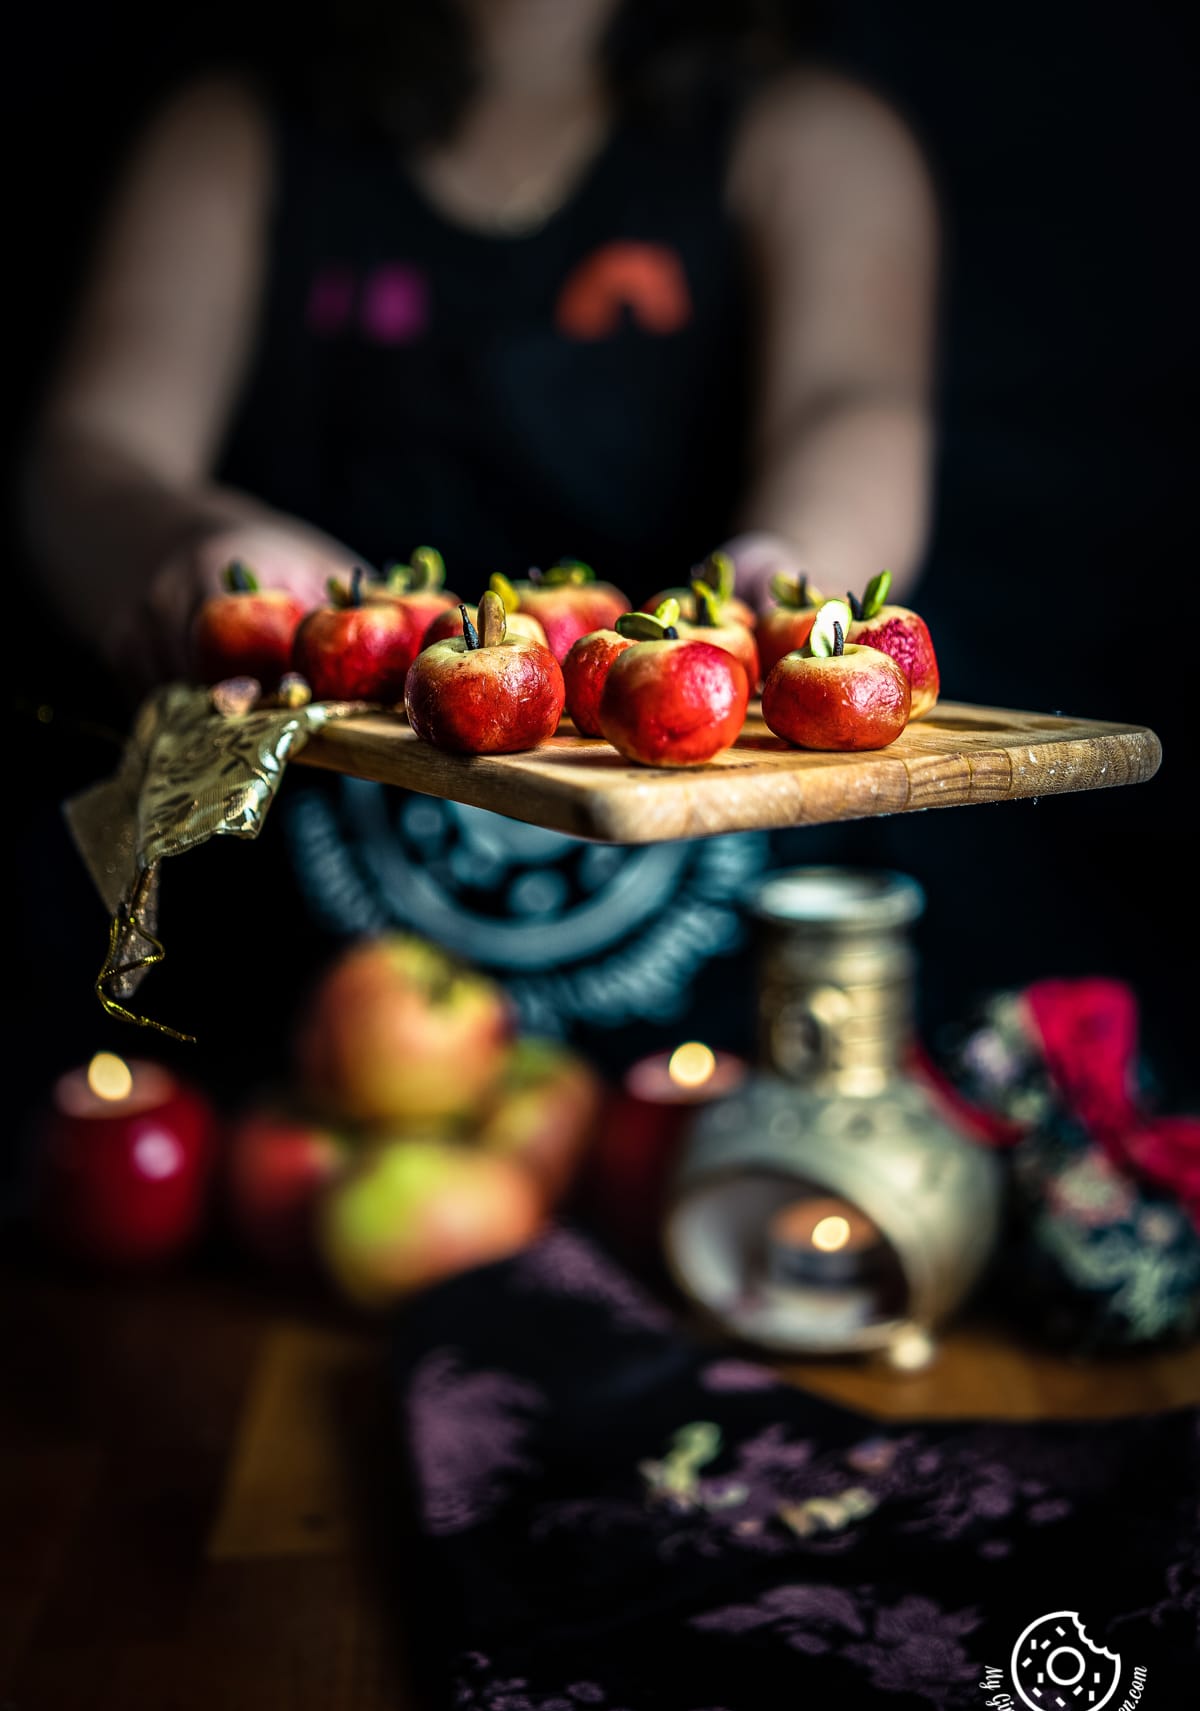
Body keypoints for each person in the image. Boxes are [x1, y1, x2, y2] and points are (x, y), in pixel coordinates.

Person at [19, 0, 939, 1085]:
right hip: (279, 998)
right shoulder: (230, 132)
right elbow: (89, 454)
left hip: (711, 1005)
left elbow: (856, 408)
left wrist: (793, 584)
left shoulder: (816, 138)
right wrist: (185, 542)